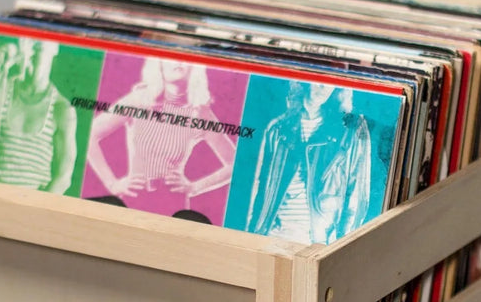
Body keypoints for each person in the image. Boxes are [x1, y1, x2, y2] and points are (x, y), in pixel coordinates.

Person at [84, 58, 235, 220]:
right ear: (159, 65)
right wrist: (112, 184)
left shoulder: (199, 112)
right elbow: (91, 134)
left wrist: (194, 187)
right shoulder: (139, 100)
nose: (179, 63)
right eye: (172, 59)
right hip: (134, 199)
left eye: (187, 60)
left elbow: (234, 164)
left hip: (173, 204)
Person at [246, 82, 372, 244]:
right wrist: (251, 236)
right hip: (272, 235)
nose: (324, 87)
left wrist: (343, 247)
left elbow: (355, 197)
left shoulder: (349, 130)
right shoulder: (278, 128)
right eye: (319, 80)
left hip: (316, 242)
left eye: (331, 82)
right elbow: (260, 188)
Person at [0, 36, 77, 194]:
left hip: (29, 206)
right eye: (26, 42)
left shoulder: (62, 109)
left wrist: (32, 212)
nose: (29, 49)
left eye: (38, 44)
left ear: (55, 49)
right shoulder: (3, 88)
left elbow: (63, 177)